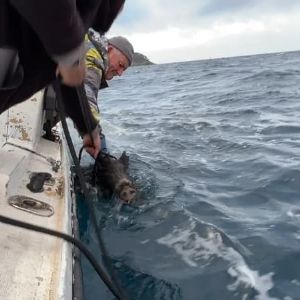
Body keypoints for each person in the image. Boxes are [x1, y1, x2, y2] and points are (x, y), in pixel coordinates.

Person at [0, 0, 125, 157]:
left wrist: (88, 127)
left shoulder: (75, 19)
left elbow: (65, 77)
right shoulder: (85, 48)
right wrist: (70, 54)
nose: (120, 72)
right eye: (121, 65)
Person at [82, 30, 134, 157]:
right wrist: (93, 133)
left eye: (124, 69)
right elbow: (86, 96)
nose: (120, 73)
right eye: (121, 65)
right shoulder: (93, 57)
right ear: (109, 50)